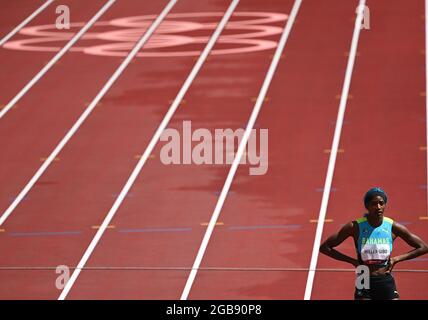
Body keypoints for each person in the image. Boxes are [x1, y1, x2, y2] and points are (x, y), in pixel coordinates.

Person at [319, 187, 428, 300]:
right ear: (367, 206)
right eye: (374, 204)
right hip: (364, 277)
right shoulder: (355, 227)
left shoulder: (392, 227)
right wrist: (352, 261)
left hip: (385, 276)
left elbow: (423, 247)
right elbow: (325, 247)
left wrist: (397, 259)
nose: (378, 207)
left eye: (381, 203)